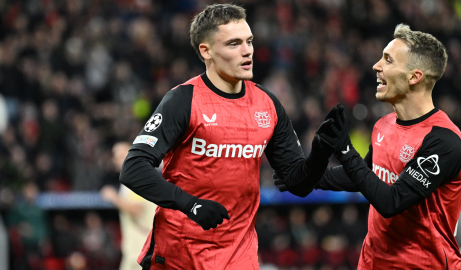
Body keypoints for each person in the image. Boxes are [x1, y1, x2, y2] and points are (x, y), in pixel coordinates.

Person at [119, 4, 332, 269]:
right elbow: (133, 168)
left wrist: (320, 154)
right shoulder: (183, 100)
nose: (247, 51)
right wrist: (191, 205)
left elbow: (296, 182)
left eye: (249, 41)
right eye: (234, 44)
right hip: (178, 255)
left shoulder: (267, 104)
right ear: (205, 51)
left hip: (238, 257)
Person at [276, 24, 461, 269]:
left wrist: (345, 150)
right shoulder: (384, 124)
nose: (376, 66)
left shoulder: (444, 141)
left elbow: (391, 202)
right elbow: (363, 175)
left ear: (414, 77)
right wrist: (308, 175)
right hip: (372, 262)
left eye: (387, 60)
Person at [100, 142, 156, 270]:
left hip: (142, 250)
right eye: (117, 156)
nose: (120, 159)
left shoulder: (137, 178)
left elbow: (136, 209)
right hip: (136, 250)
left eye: (123, 155)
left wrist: (113, 197)